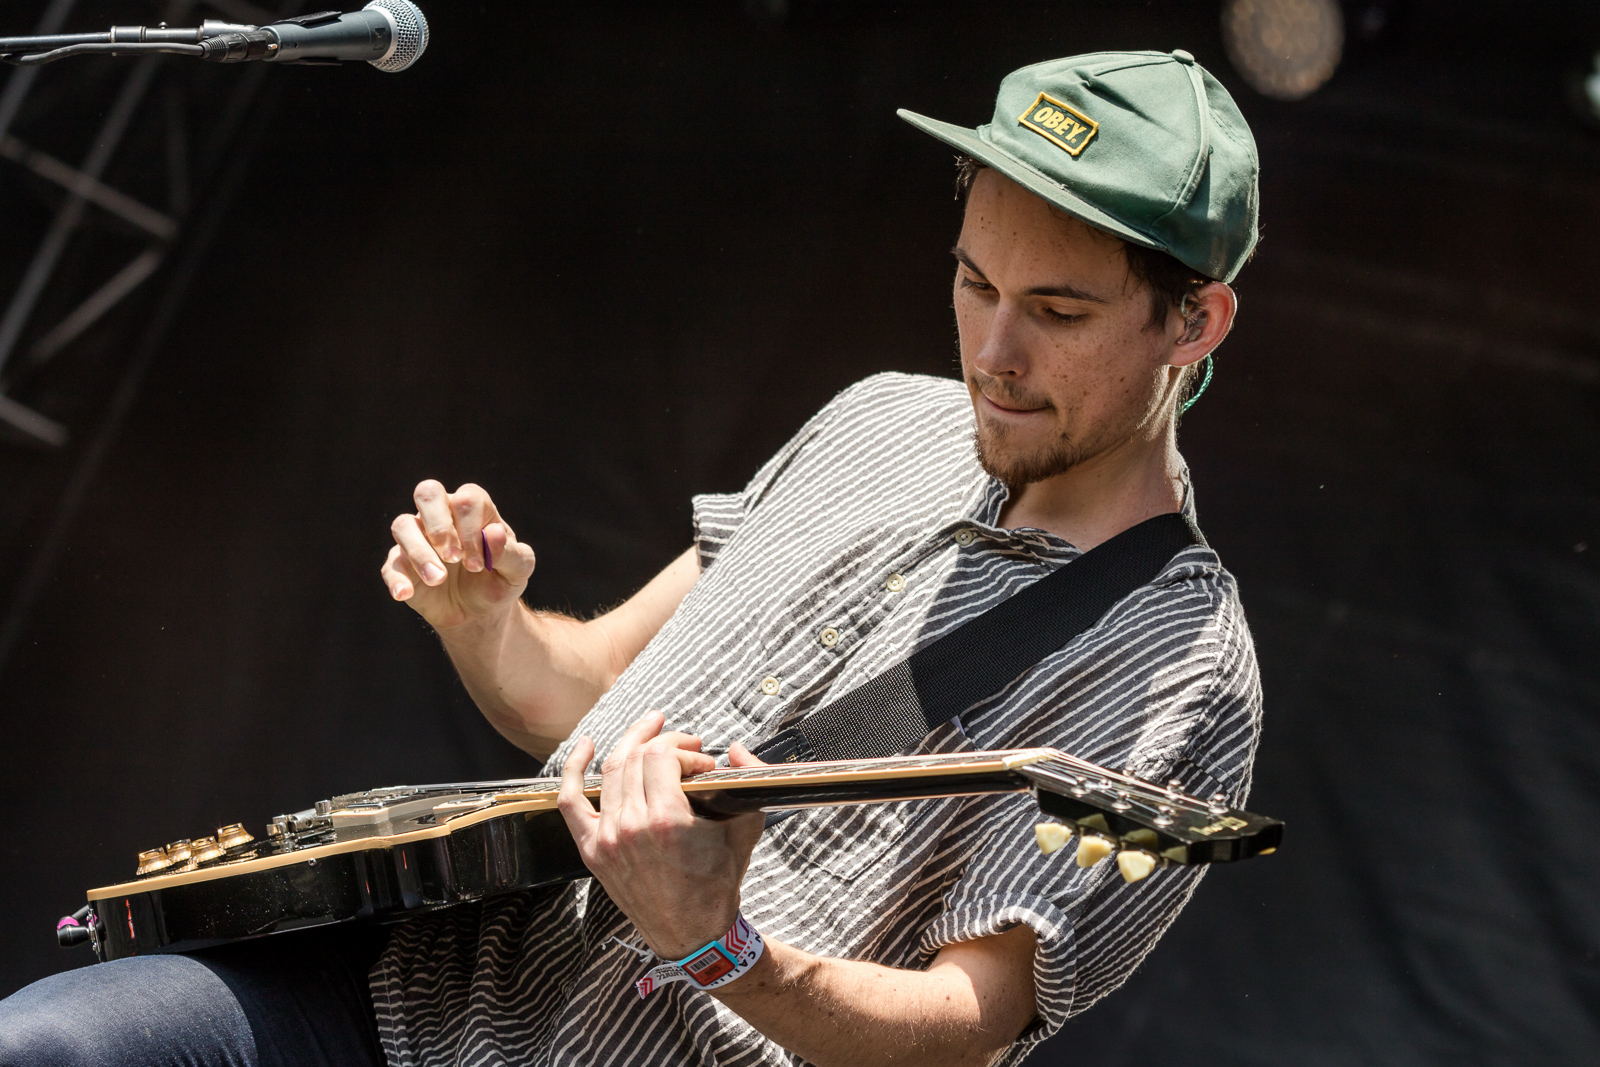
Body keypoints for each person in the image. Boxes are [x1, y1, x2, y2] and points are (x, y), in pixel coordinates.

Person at [0, 49, 1262, 1067]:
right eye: (973, 281)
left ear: (1192, 319)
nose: (992, 351)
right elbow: (582, 692)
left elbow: (967, 1027)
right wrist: (489, 622)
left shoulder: (1181, 667)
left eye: (1056, 312)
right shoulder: (879, 414)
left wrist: (721, 944)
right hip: (401, 1005)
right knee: (46, 1044)